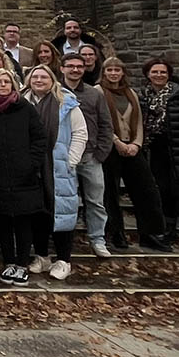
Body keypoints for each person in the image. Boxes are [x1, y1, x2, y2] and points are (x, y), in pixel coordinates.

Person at [0, 69, 47, 286]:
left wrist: (31, 164)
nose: (3, 85)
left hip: (24, 176)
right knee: (3, 222)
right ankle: (9, 263)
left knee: (23, 222)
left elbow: (39, 138)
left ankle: (22, 264)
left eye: (7, 82)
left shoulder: (25, 108)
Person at [99, 58, 171, 251]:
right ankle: (116, 233)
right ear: (104, 72)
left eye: (117, 70)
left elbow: (138, 121)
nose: (114, 73)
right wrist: (118, 142)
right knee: (110, 193)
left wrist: (136, 144)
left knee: (147, 190)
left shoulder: (131, 93)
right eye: (110, 70)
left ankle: (149, 234)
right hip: (110, 149)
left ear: (123, 73)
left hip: (132, 148)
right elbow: (101, 122)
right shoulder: (98, 92)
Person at [22, 65, 86, 280]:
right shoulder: (22, 101)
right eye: (35, 77)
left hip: (58, 166)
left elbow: (80, 132)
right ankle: (41, 256)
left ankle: (63, 259)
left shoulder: (66, 103)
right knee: (37, 213)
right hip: (31, 167)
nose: (39, 80)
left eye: (43, 77)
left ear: (52, 80)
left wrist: (71, 160)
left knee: (63, 212)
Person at [140, 58, 179, 251]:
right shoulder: (144, 95)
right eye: (154, 72)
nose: (159, 75)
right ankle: (169, 230)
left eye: (162, 72)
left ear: (169, 74)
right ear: (148, 74)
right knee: (164, 190)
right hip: (156, 150)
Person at [60, 53, 114, 257]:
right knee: (65, 200)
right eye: (71, 66)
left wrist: (101, 152)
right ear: (62, 68)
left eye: (79, 66)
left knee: (95, 200)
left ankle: (97, 239)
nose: (75, 70)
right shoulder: (55, 92)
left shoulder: (94, 94)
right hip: (63, 156)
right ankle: (64, 239)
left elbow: (106, 124)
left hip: (90, 156)